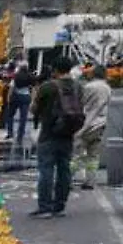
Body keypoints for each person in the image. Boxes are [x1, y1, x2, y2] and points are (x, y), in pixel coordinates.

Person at [30, 55, 80, 217]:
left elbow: (34, 109)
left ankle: (44, 207)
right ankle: (59, 205)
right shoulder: (78, 86)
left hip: (48, 133)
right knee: (64, 169)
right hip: (68, 133)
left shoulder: (47, 87)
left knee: (46, 170)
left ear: (55, 69)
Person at [73, 65, 111, 189]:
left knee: (77, 154)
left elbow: (81, 102)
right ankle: (90, 180)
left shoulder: (88, 87)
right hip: (100, 123)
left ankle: (68, 178)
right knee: (93, 155)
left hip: (85, 123)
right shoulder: (107, 88)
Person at [7, 64, 35, 158]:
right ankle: (20, 134)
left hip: (16, 97)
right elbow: (33, 88)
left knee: (10, 115)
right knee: (23, 118)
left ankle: (10, 133)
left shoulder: (16, 77)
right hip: (26, 97)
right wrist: (32, 99)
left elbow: (11, 88)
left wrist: (9, 97)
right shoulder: (30, 77)